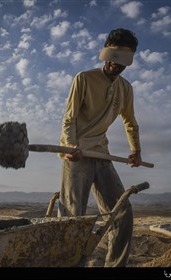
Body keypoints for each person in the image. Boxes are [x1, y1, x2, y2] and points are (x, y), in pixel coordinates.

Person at [57, 28, 142, 267]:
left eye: (122, 60)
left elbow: (130, 122)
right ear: (106, 54)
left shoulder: (125, 89)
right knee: (73, 219)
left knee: (122, 212)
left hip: (101, 153)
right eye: (113, 57)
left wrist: (136, 151)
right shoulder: (84, 78)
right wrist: (69, 146)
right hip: (76, 154)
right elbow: (69, 119)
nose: (116, 64)